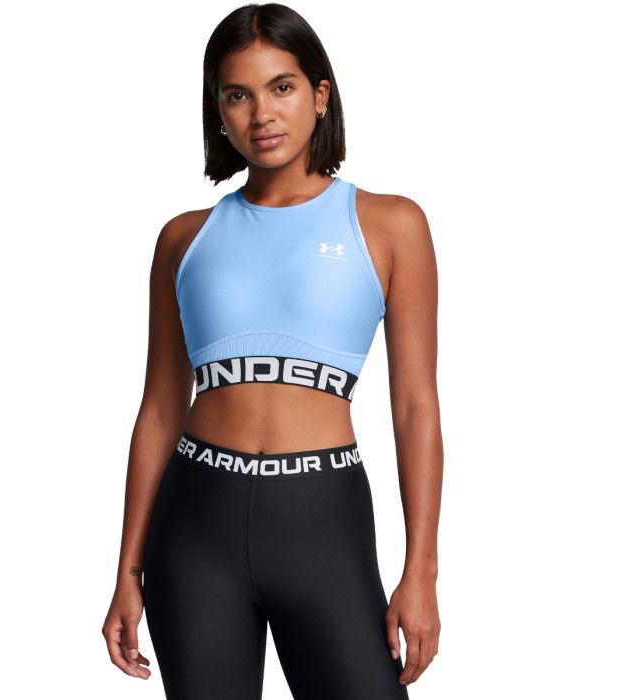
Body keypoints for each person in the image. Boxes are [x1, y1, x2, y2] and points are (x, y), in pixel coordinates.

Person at [102, 4, 443, 698]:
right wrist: (127, 570)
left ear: (320, 95)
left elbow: (414, 405)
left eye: (281, 87)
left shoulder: (390, 225)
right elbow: (161, 409)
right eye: (238, 94)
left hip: (323, 520)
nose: (261, 113)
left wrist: (422, 571)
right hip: (195, 529)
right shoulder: (183, 239)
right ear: (218, 111)